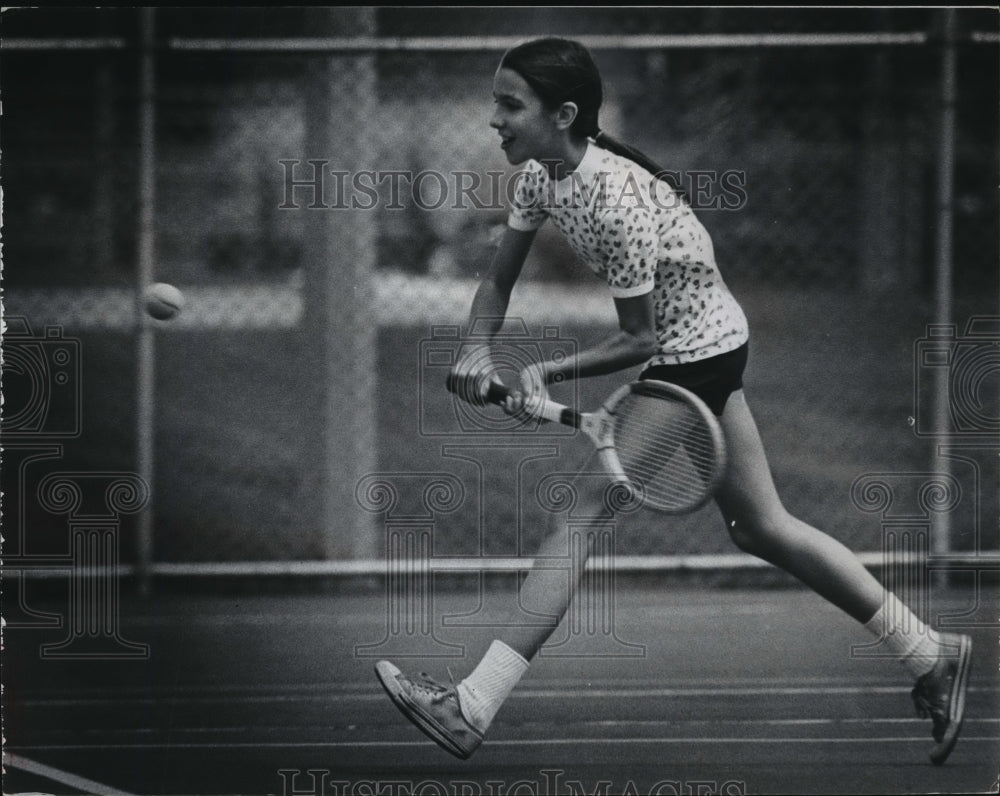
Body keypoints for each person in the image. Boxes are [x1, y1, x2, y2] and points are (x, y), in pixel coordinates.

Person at [374, 37, 972, 766]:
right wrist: (476, 347)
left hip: (693, 354)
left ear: (563, 114)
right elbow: (497, 282)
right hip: (702, 341)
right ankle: (930, 653)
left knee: (577, 517)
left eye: (509, 105)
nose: (492, 119)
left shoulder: (615, 197)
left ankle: (472, 706)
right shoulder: (538, 177)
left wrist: (549, 371)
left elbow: (637, 339)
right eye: (495, 102)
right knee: (763, 528)